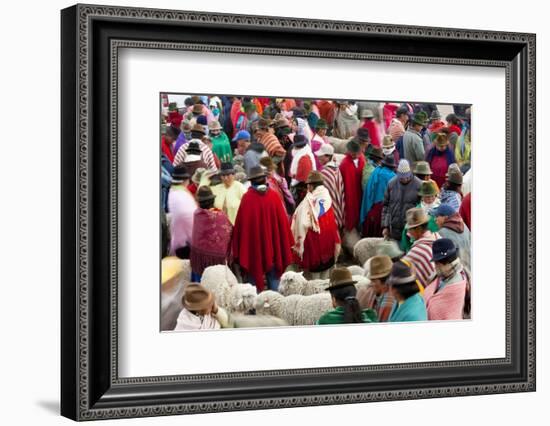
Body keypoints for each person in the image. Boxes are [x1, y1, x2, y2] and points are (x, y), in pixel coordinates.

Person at [231, 166, 294, 292]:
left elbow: (241, 228)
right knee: (274, 277)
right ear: (264, 179)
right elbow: (283, 225)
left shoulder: (247, 199)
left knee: (253, 279)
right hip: (273, 246)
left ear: (251, 181)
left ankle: (255, 306)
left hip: (254, 249)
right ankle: (275, 305)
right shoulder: (274, 197)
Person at [291, 171, 341, 279]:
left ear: (311, 185)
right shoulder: (326, 196)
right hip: (328, 243)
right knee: (326, 278)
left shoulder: (309, 201)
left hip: (315, 246)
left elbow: (303, 222)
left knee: (315, 281)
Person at [190, 186, 233, 281]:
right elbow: (229, 232)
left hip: (199, 261)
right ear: (213, 201)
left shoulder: (197, 214)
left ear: (199, 203)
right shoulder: (220, 216)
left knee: (201, 286)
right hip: (217, 263)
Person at [423, 238, 471, 320]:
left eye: (436, 263)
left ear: (442, 262)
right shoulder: (443, 275)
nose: (435, 265)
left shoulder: (456, 284)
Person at [381, 159, 422, 241]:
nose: (404, 179)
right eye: (402, 178)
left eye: (406, 177)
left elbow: (422, 208)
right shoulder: (391, 184)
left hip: (410, 230)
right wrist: (385, 226)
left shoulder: (419, 185)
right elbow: (386, 206)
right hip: (394, 229)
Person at [402, 208, 440, 290]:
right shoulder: (437, 238)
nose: (408, 233)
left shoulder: (418, 251)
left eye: (410, 229)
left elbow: (400, 271)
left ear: (418, 229)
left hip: (430, 293)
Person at [360, 154, 396, 237]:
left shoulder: (376, 171)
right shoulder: (392, 177)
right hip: (382, 209)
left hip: (371, 208)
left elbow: (369, 190)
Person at [167, 166, 197, 259]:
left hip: (179, 240)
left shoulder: (173, 192)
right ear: (184, 181)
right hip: (188, 241)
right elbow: (190, 217)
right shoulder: (183, 195)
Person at [356, 255, 396, 322]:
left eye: (373, 281)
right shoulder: (376, 294)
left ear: (384, 283)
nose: (371, 284)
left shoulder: (389, 301)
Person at [433, 203, 471, 272]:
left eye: (437, 216)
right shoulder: (464, 226)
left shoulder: (442, 233)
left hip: (459, 273)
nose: (435, 220)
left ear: (445, 217)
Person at [316, 143, 346, 230]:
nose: (318, 158)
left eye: (320, 156)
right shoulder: (336, 169)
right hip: (340, 209)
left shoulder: (324, 173)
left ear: (327, 156)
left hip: (331, 209)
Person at [339, 139, 366, 234]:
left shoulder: (362, 159)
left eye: (357, 153)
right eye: (354, 153)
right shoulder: (344, 164)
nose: (356, 156)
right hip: (349, 193)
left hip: (360, 192)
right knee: (351, 211)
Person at [289, 134, 316, 204]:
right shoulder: (303, 154)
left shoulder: (303, 158)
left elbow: (303, 177)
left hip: (304, 189)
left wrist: (293, 184)